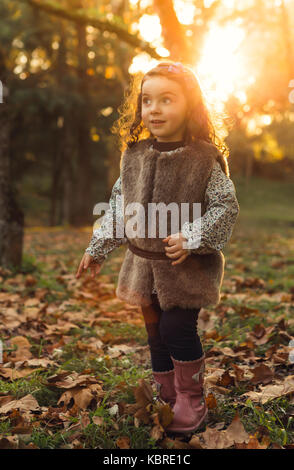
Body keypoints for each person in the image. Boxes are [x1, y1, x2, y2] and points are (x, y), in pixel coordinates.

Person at [76, 61, 240, 435]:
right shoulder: (133, 156)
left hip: (185, 270)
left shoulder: (203, 158)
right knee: (155, 333)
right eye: (147, 101)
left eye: (167, 99)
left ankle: (191, 398)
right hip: (142, 266)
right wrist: (98, 246)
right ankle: (167, 394)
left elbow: (224, 206)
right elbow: (121, 206)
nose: (154, 109)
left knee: (176, 329)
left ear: (190, 105)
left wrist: (193, 236)